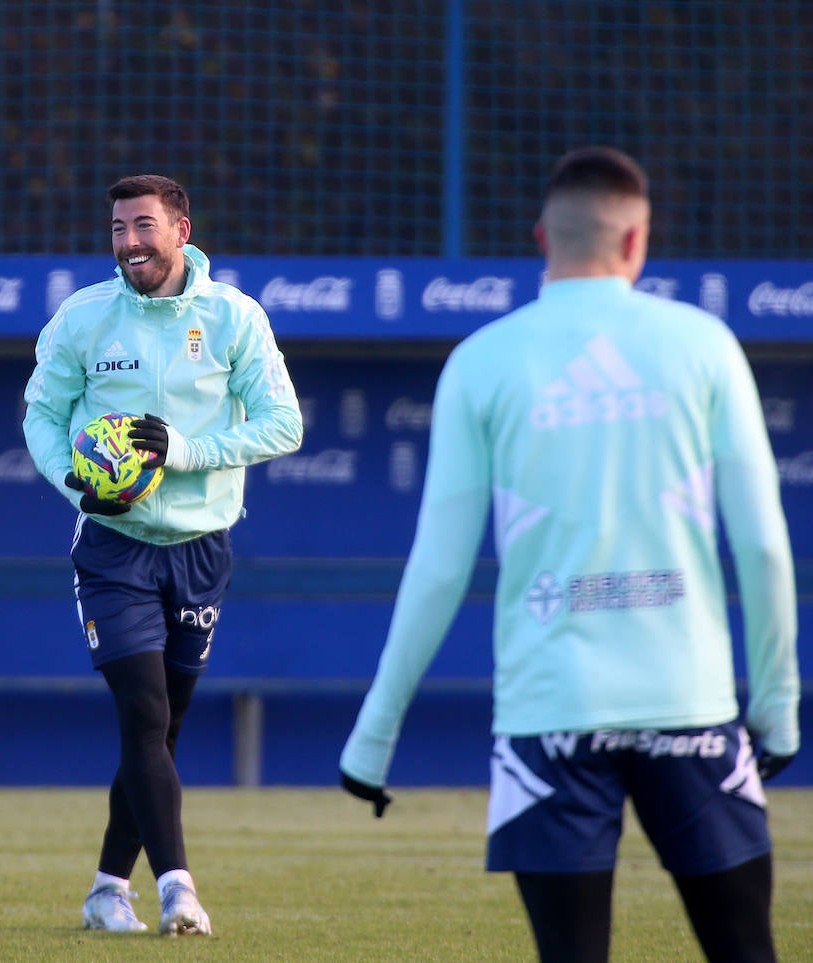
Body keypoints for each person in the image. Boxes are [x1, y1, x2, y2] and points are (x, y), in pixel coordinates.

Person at [339, 146, 800, 962]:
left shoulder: (481, 360)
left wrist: (373, 735)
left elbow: (440, 568)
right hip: (689, 706)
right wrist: (778, 705)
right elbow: (764, 544)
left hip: (548, 711)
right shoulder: (704, 343)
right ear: (635, 243)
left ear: (540, 238)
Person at [23, 173, 304, 937]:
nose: (129, 243)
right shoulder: (84, 317)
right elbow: (42, 417)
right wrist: (83, 489)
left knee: (163, 731)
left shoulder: (234, 319)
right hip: (114, 547)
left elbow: (284, 425)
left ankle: (108, 887)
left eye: (143, 225)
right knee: (144, 714)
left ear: (182, 229)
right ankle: (179, 888)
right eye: (118, 228)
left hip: (202, 548)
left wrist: (183, 451)